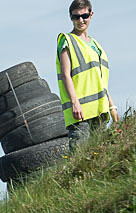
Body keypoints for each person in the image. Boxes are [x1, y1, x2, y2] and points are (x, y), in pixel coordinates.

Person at [57, 0, 119, 150]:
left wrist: (112, 106)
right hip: (80, 112)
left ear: (91, 15)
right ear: (70, 17)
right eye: (75, 17)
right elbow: (66, 75)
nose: (80, 20)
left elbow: (100, 81)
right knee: (79, 156)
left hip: (99, 110)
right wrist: (74, 102)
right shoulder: (67, 40)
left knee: (98, 156)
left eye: (84, 15)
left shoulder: (96, 45)